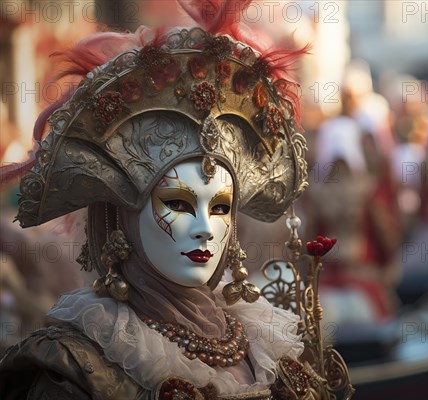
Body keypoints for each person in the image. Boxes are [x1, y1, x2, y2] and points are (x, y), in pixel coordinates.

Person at [0, 1, 353, 399]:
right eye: (179, 204)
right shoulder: (79, 368)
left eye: (220, 208)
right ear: (123, 220)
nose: (205, 229)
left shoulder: (272, 347)